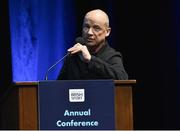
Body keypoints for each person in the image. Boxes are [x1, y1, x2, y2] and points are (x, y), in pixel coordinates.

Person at [57, 9, 128, 80]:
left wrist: (90, 60)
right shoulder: (74, 55)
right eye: (87, 27)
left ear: (107, 32)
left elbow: (122, 78)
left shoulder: (111, 56)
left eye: (96, 28)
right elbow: (59, 85)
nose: (89, 32)